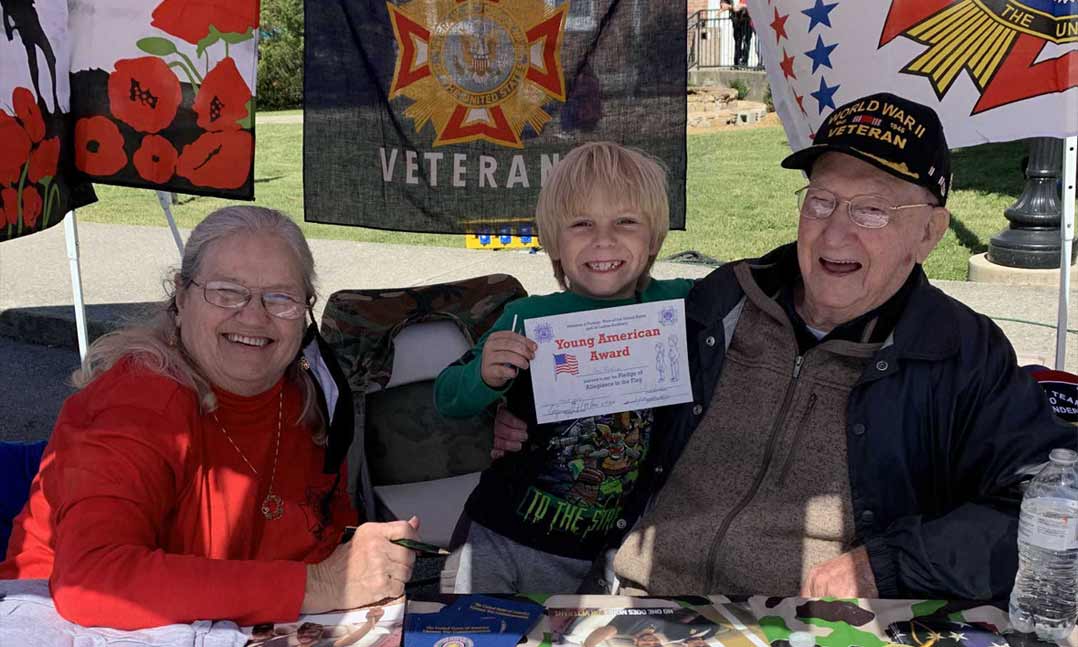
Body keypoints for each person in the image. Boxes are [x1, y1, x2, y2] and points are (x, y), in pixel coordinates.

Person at [493, 93, 1074, 601]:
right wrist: (529, 416)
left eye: (871, 209)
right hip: (641, 599)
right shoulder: (722, 301)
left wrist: (889, 565)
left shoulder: (959, 353)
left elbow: (1051, 500)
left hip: (805, 621)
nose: (834, 231)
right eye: (820, 200)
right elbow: (613, 381)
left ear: (928, 233)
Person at [0, 206, 419, 628]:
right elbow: (91, 581)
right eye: (226, 291)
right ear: (180, 297)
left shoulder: (308, 395)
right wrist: (317, 584)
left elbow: (323, 535)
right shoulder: (137, 403)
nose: (254, 316)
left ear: (305, 311)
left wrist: (364, 560)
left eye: (281, 297)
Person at [434, 141, 694, 593]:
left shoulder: (681, 304)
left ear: (654, 237)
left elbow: (756, 284)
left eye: (626, 222)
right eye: (581, 224)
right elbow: (446, 396)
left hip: (603, 555)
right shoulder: (527, 316)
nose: (604, 240)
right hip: (500, 540)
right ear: (553, 239)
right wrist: (484, 378)